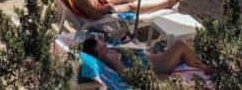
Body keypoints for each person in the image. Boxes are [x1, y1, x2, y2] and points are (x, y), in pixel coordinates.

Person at [79, 36, 209, 78]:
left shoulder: (109, 50)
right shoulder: (109, 58)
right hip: (158, 65)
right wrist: (117, 59)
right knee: (180, 44)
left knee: (186, 47)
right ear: (98, 54)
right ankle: (208, 68)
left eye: (102, 44)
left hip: (155, 57)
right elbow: (125, 73)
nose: (103, 45)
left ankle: (203, 64)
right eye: (101, 47)